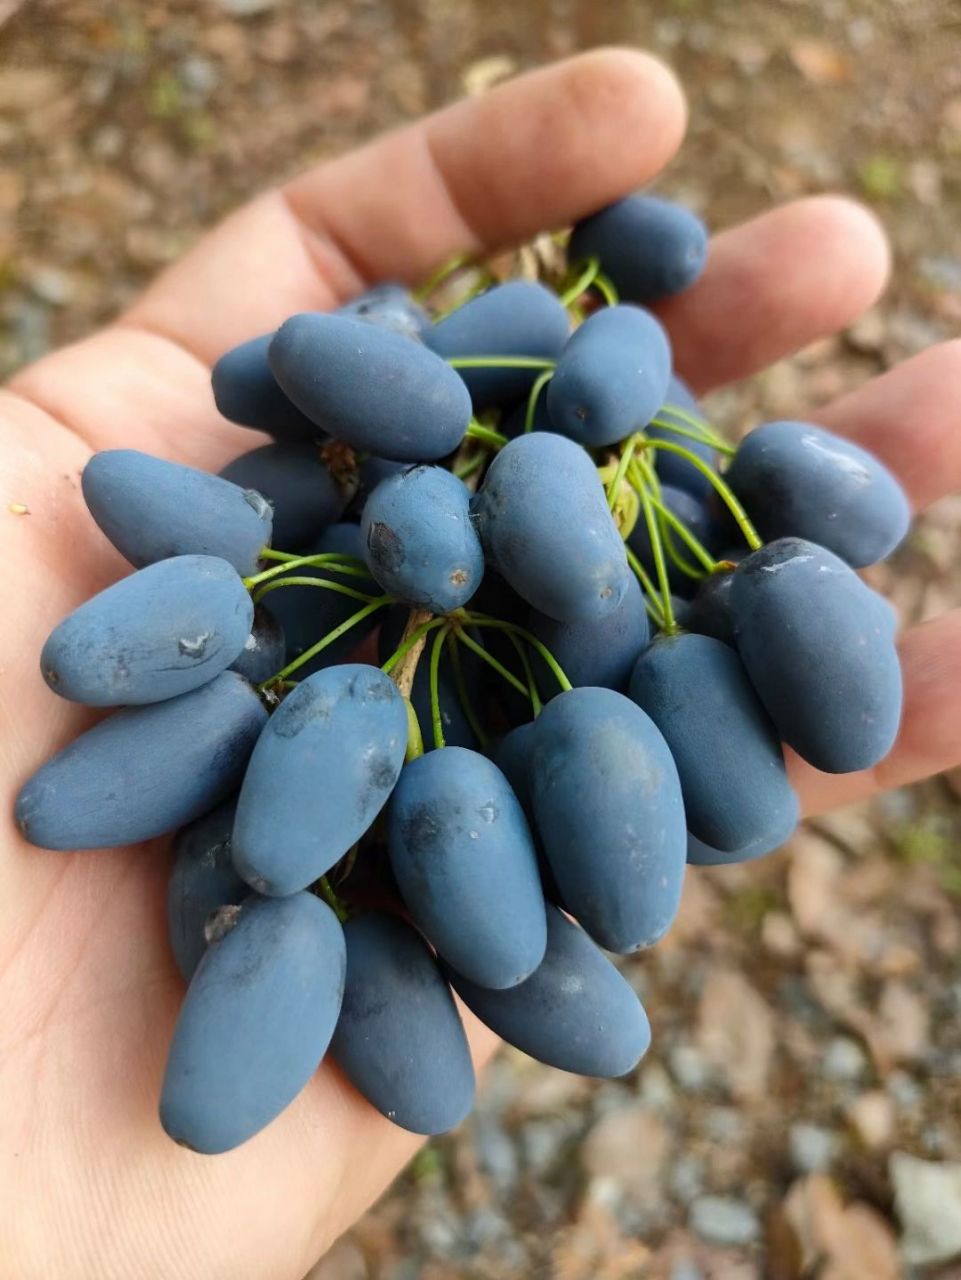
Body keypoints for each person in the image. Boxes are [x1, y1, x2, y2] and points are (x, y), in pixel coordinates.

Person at [1, 47, 959, 1279]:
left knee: (508, 762)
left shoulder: (596, 631)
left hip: (486, 588)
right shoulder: (329, 611)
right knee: (446, 776)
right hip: (412, 590)